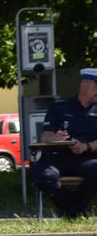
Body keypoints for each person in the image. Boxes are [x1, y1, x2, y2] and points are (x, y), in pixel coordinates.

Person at [30, 67, 97, 218]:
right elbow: (45, 137)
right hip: (58, 156)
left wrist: (87, 146)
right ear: (86, 85)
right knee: (43, 176)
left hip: (88, 157)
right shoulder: (59, 106)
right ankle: (73, 209)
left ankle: (71, 210)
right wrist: (58, 138)